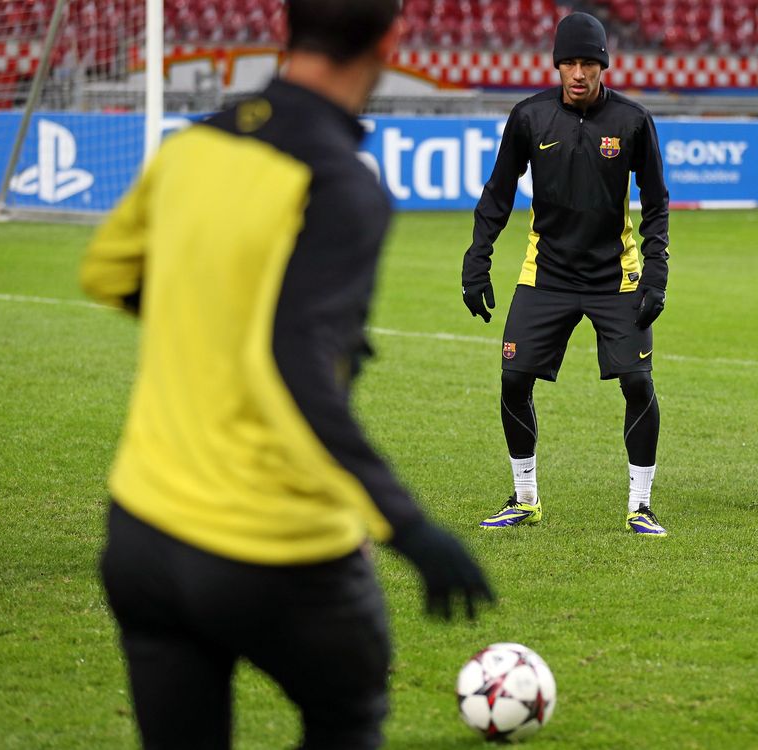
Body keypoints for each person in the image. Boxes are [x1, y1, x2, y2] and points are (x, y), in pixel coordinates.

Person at [81, 2, 493, 747]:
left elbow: (107, 270)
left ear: (285, 31)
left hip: (142, 531)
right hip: (272, 552)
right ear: (390, 39)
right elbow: (295, 373)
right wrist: (406, 526)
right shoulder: (341, 184)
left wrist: (208, 321)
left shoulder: (192, 146)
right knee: (349, 717)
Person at [461, 11, 671, 536]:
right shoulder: (530, 117)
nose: (578, 73)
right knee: (513, 379)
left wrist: (656, 272)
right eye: (569, 63)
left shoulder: (632, 121)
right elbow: (498, 192)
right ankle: (525, 498)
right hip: (546, 273)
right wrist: (477, 260)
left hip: (615, 276)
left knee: (637, 383)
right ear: (556, 65)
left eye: (588, 63)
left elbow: (656, 202)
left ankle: (640, 506)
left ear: (604, 66)